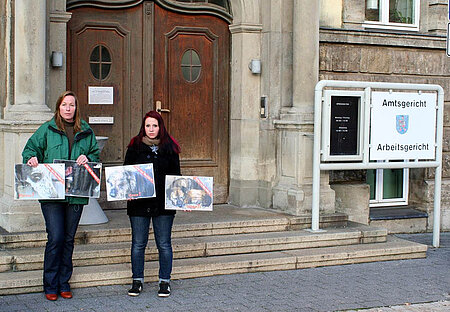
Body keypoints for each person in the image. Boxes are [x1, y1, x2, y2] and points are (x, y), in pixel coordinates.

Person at [22, 90, 100, 301]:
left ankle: (64, 282)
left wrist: (88, 157)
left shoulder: (85, 131)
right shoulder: (47, 129)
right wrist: (31, 159)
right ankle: (50, 283)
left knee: (68, 239)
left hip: (75, 195)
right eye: (64, 105)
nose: (68, 108)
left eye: (72, 105)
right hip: (51, 194)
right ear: (59, 107)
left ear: (76, 108)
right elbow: (30, 149)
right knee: (55, 237)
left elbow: (95, 155)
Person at [124, 110, 181, 298]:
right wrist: (127, 192)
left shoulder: (170, 147)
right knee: (138, 244)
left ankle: (165, 281)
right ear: (143, 127)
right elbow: (126, 175)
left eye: (154, 126)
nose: (151, 129)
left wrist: (183, 198)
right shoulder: (134, 146)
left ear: (160, 127)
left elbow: (177, 177)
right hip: (139, 204)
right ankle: (137, 280)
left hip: (163, 205)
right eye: (148, 125)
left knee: (164, 244)